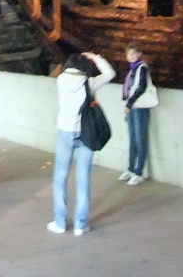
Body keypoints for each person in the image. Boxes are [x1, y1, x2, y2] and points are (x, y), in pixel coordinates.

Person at [47, 50, 115, 236]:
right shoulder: (89, 83)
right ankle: (80, 224)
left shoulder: (61, 80)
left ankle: (60, 222)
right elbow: (110, 74)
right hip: (86, 133)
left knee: (60, 177)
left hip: (65, 132)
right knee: (83, 178)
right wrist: (96, 58)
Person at [119, 44, 154, 185]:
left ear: (139, 54)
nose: (131, 57)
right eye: (128, 54)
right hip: (133, 107)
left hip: (139, 107)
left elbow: (141, 87)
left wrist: (129, 103)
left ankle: (138, 171)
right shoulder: (133, 68)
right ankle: (131, 169)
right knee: (133, 138)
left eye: (133, 54)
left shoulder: (141, 67)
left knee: (140, 138)